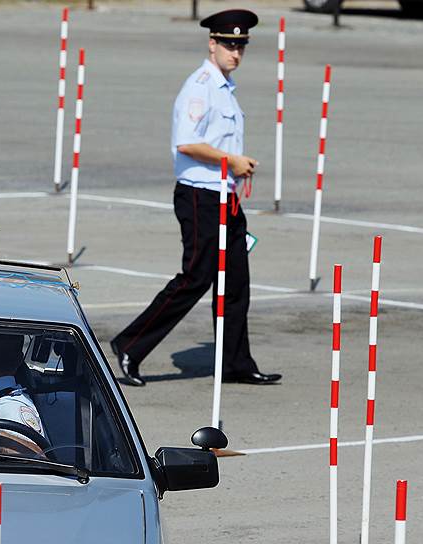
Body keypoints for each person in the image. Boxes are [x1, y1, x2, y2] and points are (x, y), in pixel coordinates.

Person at [109, 9, 281, 387]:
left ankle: (235, 361)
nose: (235, 53)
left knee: (235, 281)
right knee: (196, 277)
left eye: (241, 46)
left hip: (226, 195)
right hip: (200, 196)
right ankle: (130, 344)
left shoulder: (225, 88)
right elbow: (186, 143)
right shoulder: (200, 86)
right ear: (212, 44)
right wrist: (232, 160)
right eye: (229, 45)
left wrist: (236, 165)